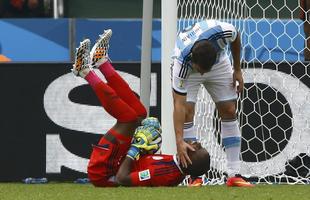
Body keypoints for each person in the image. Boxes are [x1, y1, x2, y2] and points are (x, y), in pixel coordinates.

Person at [72, 29, 211, 187]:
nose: (196, 143)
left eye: (197, 148)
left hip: (104, 172)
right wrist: (148, 148)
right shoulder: (174, 166)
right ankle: (101, 63)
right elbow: (142, 166)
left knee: (129, 119)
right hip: (116, 161)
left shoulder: (166, 174)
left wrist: (136, 148)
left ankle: (84, 71)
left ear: (188, 159)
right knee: (140, 113)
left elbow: (122, 179)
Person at [171, 19, 253, 187]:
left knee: (229, 110)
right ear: (195, 62)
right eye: (201, 69)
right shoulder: (182, 62)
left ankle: (234, 174)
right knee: (187, 112)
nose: (203, 74)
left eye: (205, 71)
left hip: (219, 65)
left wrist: (237, 69)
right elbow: (178, 105)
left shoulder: (224, 31)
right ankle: (195, 177)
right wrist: (179, 140)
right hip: (189, 70)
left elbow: (236, 37)